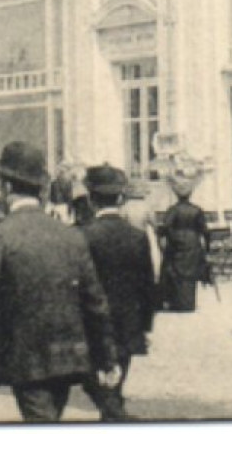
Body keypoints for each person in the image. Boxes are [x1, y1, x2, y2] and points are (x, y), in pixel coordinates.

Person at [0, 141, 119, 422]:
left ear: (5, 187)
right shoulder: (70, 235)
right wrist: (107, 357)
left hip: (24, 356)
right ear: (41, 188)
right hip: (68, 354)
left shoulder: (1, 236)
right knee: (49, 416)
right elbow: (95, 302)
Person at [78, 165, 157, 421]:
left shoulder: (83, 235)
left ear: (91, 199)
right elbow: (147, 284)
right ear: (121, 198)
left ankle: (115, 416)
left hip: (91, 322)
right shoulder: (137, 236)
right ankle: (114, 415)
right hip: (128, 321)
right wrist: (146, 326)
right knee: (117, 380)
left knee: (95, 382)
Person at [156, 176, 209, 312]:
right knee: (190, 273)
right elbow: (204, 230)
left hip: (176, 242)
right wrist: (207, 248)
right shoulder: (197, 210)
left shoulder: (173, 210)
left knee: (174, 271)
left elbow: (166, 226)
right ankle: (188, 303)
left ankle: (175, 301)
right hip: (193, 242)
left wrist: (161, 234)